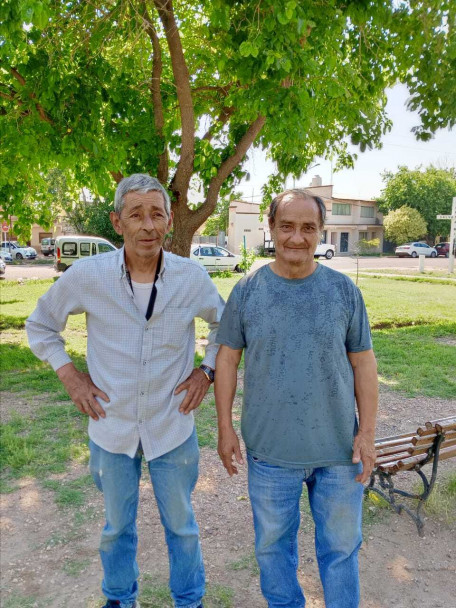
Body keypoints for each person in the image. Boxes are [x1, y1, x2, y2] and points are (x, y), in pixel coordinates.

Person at [26, 174, 225, 608]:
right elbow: (40, 325)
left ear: (170, 222)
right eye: (136, 214)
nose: (148, 226)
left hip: (171, 423)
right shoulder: (88, 276)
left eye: (157, 215)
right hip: (111, 425)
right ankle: (119, 599)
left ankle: (189, 601)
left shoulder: (191, 278)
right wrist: (71, 377)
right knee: (117, 526)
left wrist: (206, 372)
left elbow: (226, 324)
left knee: (182, 525)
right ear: (118, 222)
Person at [215, 189, 378, 608]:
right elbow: (228, 360)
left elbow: (363, 364)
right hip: (270, 454)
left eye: (308, 228)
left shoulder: (344, 292)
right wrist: (225, 427)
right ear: (271, 229)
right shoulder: (248, 289)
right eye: (287, 226)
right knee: (273, 550)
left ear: (320, 231)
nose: (297, 237)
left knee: (341, 551)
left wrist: (368, 435)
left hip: (340, 451)